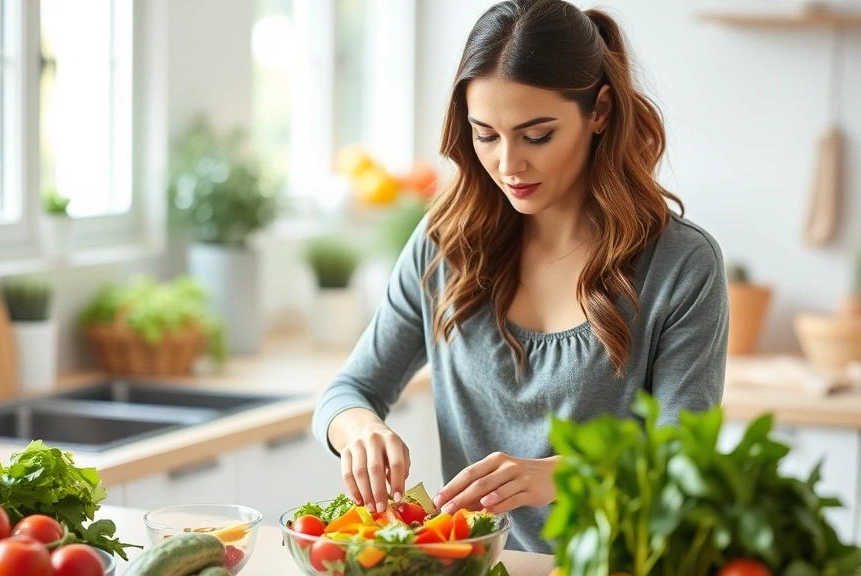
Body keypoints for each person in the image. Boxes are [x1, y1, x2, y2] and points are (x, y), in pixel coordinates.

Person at [311, 0, 729, 554]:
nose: (509, 164)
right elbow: (348, 392)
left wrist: (564, 473)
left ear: (599, 111)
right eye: (486, 135)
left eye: (536, 136)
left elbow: (685, 465)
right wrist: (361, 430)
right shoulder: (445, 244)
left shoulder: (682, 266)